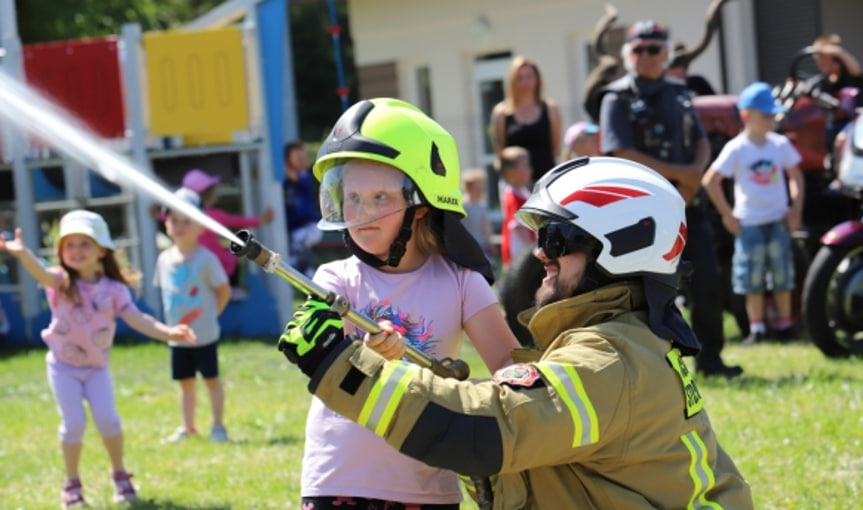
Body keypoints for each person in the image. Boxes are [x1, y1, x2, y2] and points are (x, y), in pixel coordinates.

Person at [276, 157, 755, 509]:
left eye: (557, 239)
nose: (541, 255)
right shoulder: (624, 341)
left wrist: (338, 363)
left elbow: (483, 426)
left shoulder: (607, 359)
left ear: (623, 249)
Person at [297, 97, 521, 509]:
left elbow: (512, 372)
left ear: (421, 205)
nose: (362, 211)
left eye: (380, 197)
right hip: (338, 481)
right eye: (352, 196)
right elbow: (325, 356)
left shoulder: (462, 283)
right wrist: (364, 354)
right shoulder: (334, 278)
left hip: (426, 489)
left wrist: (472, 397)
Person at [0, 210, 196, 508]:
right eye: (70, 245)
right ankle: (72, 483)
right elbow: (40, 273)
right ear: (61, 251)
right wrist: (22, 253)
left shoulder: (114, 289)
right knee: (73, 424)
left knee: (108, 421)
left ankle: (120, 474)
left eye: (85, 244)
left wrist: (170, 333)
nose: (76, 251)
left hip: (96, 370)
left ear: (102, 250)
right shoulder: (60, 281)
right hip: (63, 368)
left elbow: (138, 319)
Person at [599, 19, 742, 378]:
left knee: (708, 279)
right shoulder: (616, 97)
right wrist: (682, 175)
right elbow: (622, 152)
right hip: (640, 215)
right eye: (639, 49)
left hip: (688, 207)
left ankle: (711, 359)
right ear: (628, 55)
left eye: (654, 49)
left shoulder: (681, 93)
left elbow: (702, 140)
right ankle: (653, 368)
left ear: (666, 54)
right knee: (648, 291)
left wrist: (691, 182)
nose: (646, 56)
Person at [702, 82, 804, 344]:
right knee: (751, 278)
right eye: (765, 115)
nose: (771, 119)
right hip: (750, 223)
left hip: (778, 219)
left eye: (773, 114)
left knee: (782, 274)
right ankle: (756, 328)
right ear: (747, 116)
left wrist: (795, 208)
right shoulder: (737, 149)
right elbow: (711, 180)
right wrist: (727, 214)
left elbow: (796, 177)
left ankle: (784, 326)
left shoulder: (779, 145)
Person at [153, 188, 231, 443]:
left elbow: (223, 290)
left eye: (187, 220)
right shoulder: (163, 259)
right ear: (166, 225)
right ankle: (188, 427)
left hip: (204, 335)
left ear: (201, 226)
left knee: (211, 379)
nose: (180, 226)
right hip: (177, 337)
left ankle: (218, 426)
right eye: (174, 220)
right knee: (185, 382)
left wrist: (213, 315)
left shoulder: (206, 259)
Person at [181, 168, 274, 299]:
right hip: (215, 257)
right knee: (232, 257)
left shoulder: (184, 216)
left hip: (193, 257)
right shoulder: (214, 215)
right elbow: (237, 221)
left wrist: (158, 214)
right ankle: (234, 288)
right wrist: (261, 220)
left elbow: (166, 217)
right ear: (209, 194)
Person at [490, 55, 562, 183]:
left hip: (547, 180)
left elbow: (555, 149)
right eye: (520, 78)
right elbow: (501, 151)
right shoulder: (501, 113)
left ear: (537, 79)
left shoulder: (551, 109)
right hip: (516, 185)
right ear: (512, 81)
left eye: (529, 77)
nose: (525, 83)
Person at [283, 141, 323, 277]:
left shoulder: (303, 176)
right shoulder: (284, 181)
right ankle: (306, 272)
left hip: (309, 226)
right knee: (297, 244)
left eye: (303, 157)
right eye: (297, 157)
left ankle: (301, 268)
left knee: (299, 240)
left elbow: (289, 174)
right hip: (291, 228)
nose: (302, 161)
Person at [496, 146, 536, 269]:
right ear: (511, 173)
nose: (530, 170)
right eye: (525, 166)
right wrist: (532, 247)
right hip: (518, 249)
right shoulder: (511, 196)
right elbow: (516, 226)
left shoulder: (523, 192)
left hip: (524, 248)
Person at [460, 167, 496, 268]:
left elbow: (486, 227)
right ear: (468, 188)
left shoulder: (482, 206)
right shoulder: (462, 205)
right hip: (467, 246)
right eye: (477, 188)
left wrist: (490, 242)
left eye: (481, 188)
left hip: (482, 245)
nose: (480, 191)